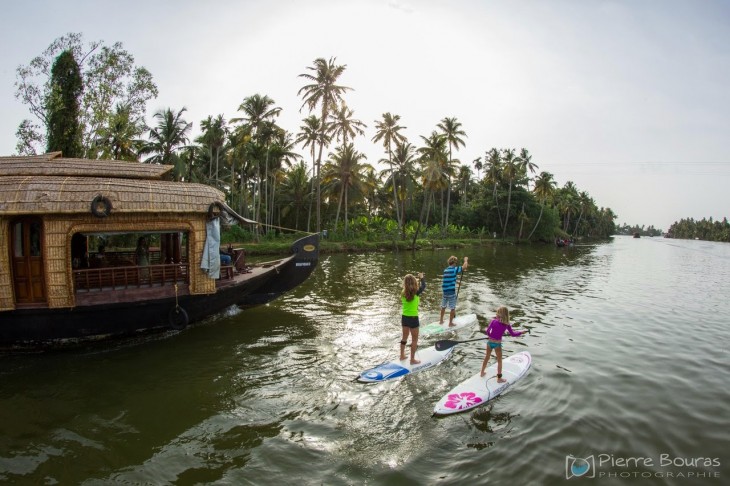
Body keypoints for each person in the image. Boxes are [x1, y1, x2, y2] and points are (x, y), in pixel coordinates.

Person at [480, 306, 526, 383]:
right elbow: (513, 334)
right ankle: (499, 378)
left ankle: (482, 372)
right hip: (497, 344)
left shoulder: (493, 321)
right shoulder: (506, 324)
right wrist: (521, 332)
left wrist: (490, 336)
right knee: (499, 361)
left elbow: (488, 331)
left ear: (498, 314)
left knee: (487, 357)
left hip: (489, 343)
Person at [400, 272, 426, 364]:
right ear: (414, 282)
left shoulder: (403, 293)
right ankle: (412, 359)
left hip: (404, 318)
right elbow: (424, 286)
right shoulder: (417, 292)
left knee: (404, 338)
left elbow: (409, 292)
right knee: (414, 340)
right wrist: (421, 278)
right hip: (413, 318)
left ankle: (402, 356)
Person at [439, 255, 468, 327]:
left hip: (445, 292)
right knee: (453, 308)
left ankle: (441, 321)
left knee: (443, 306)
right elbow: (464, 267)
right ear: (454, 263)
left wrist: (456, 280)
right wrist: (465, 260)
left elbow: (449, 278)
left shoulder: (445, 270)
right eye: (456, 263)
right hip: (451, 292)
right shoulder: (455, 269)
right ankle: (450, 323)